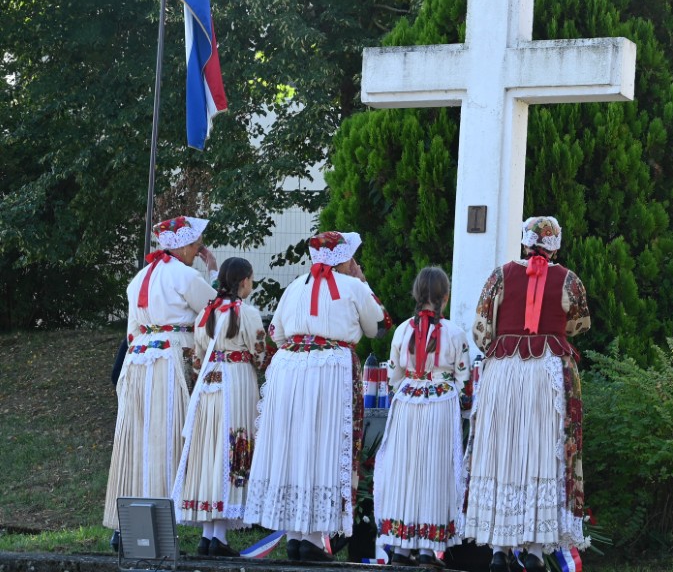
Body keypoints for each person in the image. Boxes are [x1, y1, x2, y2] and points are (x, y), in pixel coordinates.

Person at [244, 230, 384, 562]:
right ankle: (315, 540)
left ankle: (296, 535)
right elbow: (377, 326)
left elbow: (276, 333)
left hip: (289, 369)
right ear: (346, 259)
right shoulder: (353, 287)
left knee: (295, 447)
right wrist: (362, 281)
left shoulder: (295, 286)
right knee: (324, 444)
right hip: (328, 370)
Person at [463, 216, 591, 572]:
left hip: (504, 373)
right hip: (547, 372)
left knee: (503, 452)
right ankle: (535, 551)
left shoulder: (499, 276)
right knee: (541, 455)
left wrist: (508, 340)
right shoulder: (569, 280)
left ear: (525, 242)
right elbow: (580, 323)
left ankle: (500, 550)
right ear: (555, 245)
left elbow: (480, 330)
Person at [103, 215, 219, 547]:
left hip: (137, 359)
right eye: (196, 244)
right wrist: (211, 271)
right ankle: (158, 520)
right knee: (167, 437)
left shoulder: (139, 278)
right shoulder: (186, 276)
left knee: (136, 439)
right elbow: (215, 315)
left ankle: (125, 526)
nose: (198, 249)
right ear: (182, 245)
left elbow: (131, 329)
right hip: (168, 359)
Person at [171, 257, 271, 556]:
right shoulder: (247, 313)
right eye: (251, 279)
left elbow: (197, 358)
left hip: (208, 385)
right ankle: (220, 538)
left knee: (211, 450)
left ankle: (209, 535)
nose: (251, 284)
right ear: (243, 281)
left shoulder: (206, 313)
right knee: (233, 448)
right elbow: (260, 354)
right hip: (237, 383)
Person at [373, 267, 471, 568]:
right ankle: (429, 548)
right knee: (435, 470)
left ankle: (401, 548)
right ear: (445, 295)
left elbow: (393, 374)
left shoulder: (403, 330)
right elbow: (463, 375)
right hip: (440, 402)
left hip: (408, 402)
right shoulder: (455, 332)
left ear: (417, 294)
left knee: (407, 470)